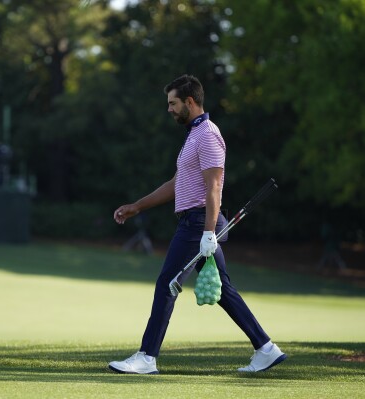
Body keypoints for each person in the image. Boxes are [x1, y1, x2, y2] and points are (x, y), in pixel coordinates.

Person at [108, 75, 286, 374]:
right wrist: (137, 206)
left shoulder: (208, 135)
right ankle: (266, 348)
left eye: (173, 103)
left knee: (167, 284)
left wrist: (207, 233)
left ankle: (147, 357)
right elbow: (176, 184)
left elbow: (214, 186)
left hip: (198, 223)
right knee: (224, 291)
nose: (169, 109)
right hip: (196, 222)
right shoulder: (193, 135)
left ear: (189, 102)